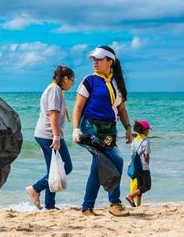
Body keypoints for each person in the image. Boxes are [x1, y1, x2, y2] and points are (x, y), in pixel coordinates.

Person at [72, 46, 132, 217]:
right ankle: (114, 203)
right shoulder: (89, 81)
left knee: (99, 166)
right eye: (94, 60)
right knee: (117, 160)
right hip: (90, 127)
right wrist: (75, 129)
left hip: (109, 130)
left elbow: (121, 109)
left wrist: (127, 128)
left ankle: (87, 207)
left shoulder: (117, 83)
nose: (95, 63)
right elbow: (78, 107)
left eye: (99, 59)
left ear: (110, 61)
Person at [26, 66, 75, 210]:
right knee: (66, 166)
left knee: (53, 169)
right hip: (48, 135)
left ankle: (50, 205)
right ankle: (35, 188)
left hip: (44, 134)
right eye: (72, 80)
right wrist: (56, 136)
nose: (72, 84)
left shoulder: (52, 88)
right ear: (65, 79)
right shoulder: (55, 90)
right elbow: (53, 113)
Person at [126, 120, 152, 207]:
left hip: (136, 166)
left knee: (140, 185)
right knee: (147, 186)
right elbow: (146, 156)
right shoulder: (146, 141)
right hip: (143, 167)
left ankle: (138, 205)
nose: (148, 132)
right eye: (148, 130)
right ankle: (131, 196)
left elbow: (132, 155)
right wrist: (147, 165)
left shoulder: (134, 141)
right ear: (144, 131)